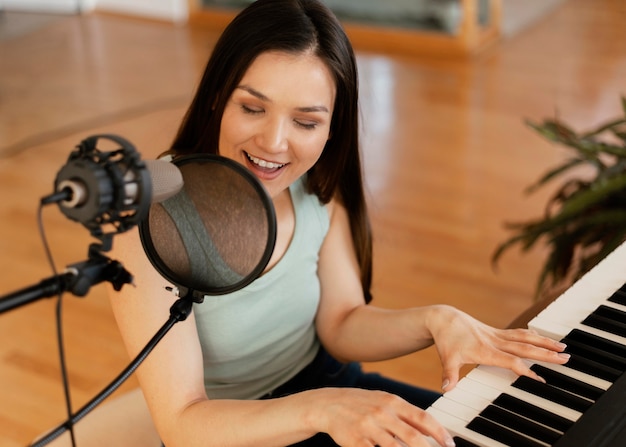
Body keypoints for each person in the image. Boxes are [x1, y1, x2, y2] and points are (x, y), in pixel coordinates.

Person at [106, 1, 571, 446]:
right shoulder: (153, 217)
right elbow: (183, 424)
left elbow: (342, 323)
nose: (274, 142)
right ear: (216, 99)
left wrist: (437, 320)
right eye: (252, 108)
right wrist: (321, 411)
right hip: (236, 430)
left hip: (329, 387)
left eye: (306, 122)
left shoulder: (316, 185)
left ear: (332, 128)